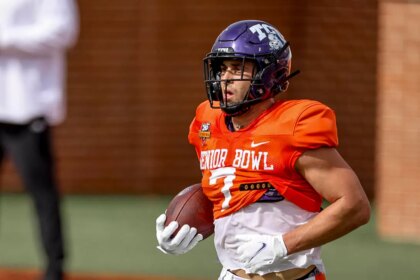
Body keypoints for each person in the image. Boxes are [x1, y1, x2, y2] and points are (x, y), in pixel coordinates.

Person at [156, 20, 371, 280]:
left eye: (237, 68)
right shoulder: (207, 121)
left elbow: (354, 206)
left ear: (270, 74)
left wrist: (282, 246)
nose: (225, 78)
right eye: (222, 68)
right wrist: (184, 229)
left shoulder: (293, 126)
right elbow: (229, 192)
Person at [0, 0, 79, 279]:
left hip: (27, 106)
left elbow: (63, 31)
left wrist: (5, 38)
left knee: (42, 193)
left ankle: (54, 268)